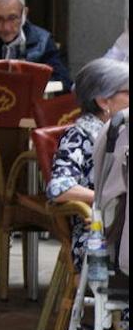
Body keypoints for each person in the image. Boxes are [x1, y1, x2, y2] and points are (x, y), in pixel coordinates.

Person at [47, 58, 129, 269]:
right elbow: (59, 187)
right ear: (104, 101)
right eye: (128, 93)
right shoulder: (79, 135)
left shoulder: (124, 132)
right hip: (99, 234)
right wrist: (107, 204)